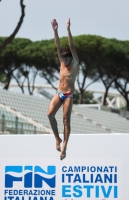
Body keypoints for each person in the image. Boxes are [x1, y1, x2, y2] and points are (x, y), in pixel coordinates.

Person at [47, 18, 79, 160]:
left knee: (66, 120)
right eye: (63, 57)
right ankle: (57, 139)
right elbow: (57, 45)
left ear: (71, 58)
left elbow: (71, 46)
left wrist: (68, 30)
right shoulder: (62, 62)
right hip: (59, 92)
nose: (65, 59)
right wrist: (55, 30)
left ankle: (65, 145)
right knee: (49, 115)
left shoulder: (75, 63)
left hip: (69, 95)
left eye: (67, 57)